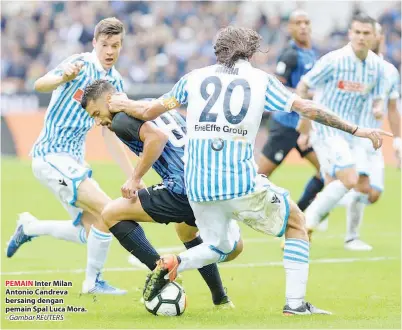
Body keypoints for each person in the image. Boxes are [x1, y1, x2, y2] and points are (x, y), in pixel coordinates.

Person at [106, 26, 390, 315]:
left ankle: (173, 263)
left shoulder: (192, 79)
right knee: (295, 222)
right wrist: (355, 129)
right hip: (239, 183)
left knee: (218, 247)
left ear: (217, 51)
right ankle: (295, 304)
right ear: (250, 51)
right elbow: (306, 107)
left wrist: (125, 102)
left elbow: (148, 111)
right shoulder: (260, 80)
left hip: (199, 187)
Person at [5, 17, 156, 295]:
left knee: (92, 230)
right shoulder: (80, 64)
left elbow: (109, 133)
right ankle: (113, 274)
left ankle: (30, 227)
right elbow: (40, 84)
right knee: (109, 210)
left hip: (74, 161)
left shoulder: (116, 82)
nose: (110, 51)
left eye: (116, 45)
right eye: (105, 44)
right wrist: (63, 76)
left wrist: (133, 176)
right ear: (94, 43)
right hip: (51, 155)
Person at [79, 79, 235, 308]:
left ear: (109, 101)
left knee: (111, 213)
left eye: (97, 112)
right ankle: (221, 299)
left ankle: (160, 271)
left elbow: (157, 138)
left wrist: (135, 178)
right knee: (186, 232)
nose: (98, 121)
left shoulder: (121, 119)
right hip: (205, 182)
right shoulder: (149, 104)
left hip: (181, 189)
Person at [296, 14, 387, 250]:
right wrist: (305, 124)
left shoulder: (377, 67)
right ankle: (306, 225)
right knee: (349, 179)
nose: (361, 37)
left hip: (354, 134)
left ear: (374, 37)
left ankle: (337, 232)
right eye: (357, 32)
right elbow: (304, 86)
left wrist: (378, 110)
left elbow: (377, 100)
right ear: (349, 33)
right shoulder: (334, 60)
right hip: (328, 131)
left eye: (366, 33)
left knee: (354, 184)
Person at [338, 21, 401, 250]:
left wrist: (397, 140)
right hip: (354, 136)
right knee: (361, 186)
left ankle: (331, 197)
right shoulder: (348, 64)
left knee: (373, 194)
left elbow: (392, 108)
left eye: (372, 34)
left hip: (375, 140)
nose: (368, 38)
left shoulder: (387, 70)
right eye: (362, 33)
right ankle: (351, 237)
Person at [257, 10, 324, 214]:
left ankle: (301, 214)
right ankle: (242, 213)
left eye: (306, 22)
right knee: (260, 176)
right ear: (291, 28)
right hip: (285, 126)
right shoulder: (290, 54)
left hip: (304, 126)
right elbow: (278, 87)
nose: (303, 26)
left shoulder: (311, 53)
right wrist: (306, 95)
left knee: (327, 171)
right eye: (298, 23)